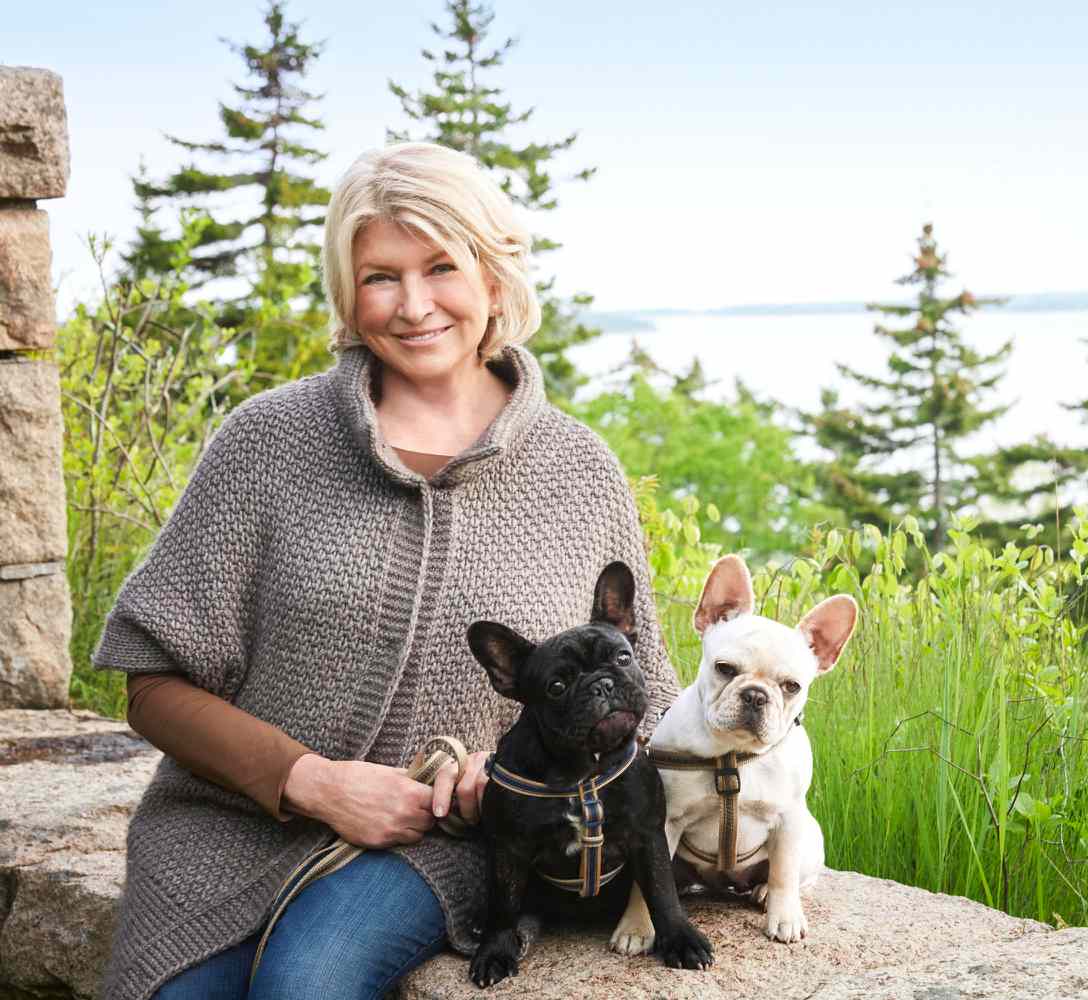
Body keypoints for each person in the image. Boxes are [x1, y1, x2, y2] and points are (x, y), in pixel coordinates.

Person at [93, 142, 681, 1000]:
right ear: (348, 292)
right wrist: (313, 782)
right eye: (380, 277)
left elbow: (647, 702)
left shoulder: (579, 471)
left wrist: (509, 777)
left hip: (442, 849)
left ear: (494, 278)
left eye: (441, 267)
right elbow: (152, 684)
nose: (412, 305)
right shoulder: (266, 441)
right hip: (229, 828)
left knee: (304, 987)